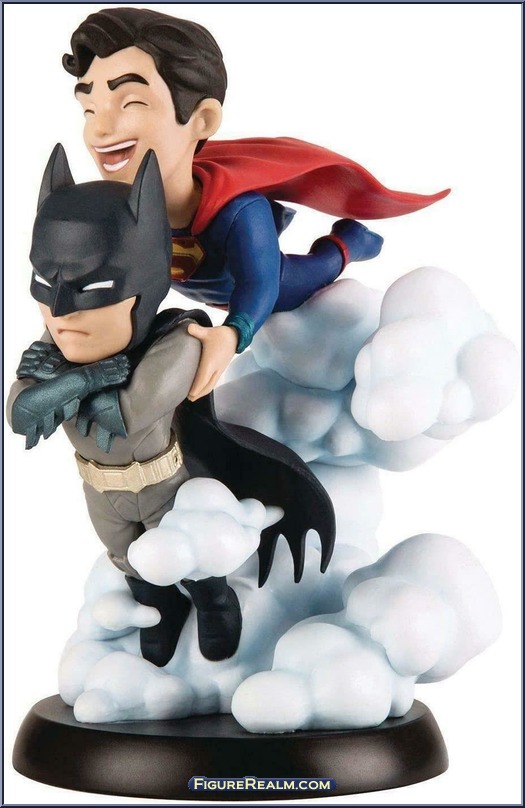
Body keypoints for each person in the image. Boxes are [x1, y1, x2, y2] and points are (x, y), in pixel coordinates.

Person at [7, 146, 335, 666]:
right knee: (132, 567)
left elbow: (125, 414)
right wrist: (88, 377)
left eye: (92, 289)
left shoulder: (179, 340)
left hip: (166, 490)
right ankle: (162, 610)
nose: (62, 312)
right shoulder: (57, 347)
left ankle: (213, 600)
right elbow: (21, 416)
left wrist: (62, 388)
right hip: (100, 492)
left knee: (187, 559)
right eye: (46, 286)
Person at [62, 7, 448, 400]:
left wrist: (233, 333)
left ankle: (349, 241)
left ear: (202, 119)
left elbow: (260, 283)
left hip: (264, 285)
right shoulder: (119, 210)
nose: (99, 130)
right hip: (201, 292)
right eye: (89, 109)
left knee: (311, 272)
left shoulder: (239, 212)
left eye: (130, 103)